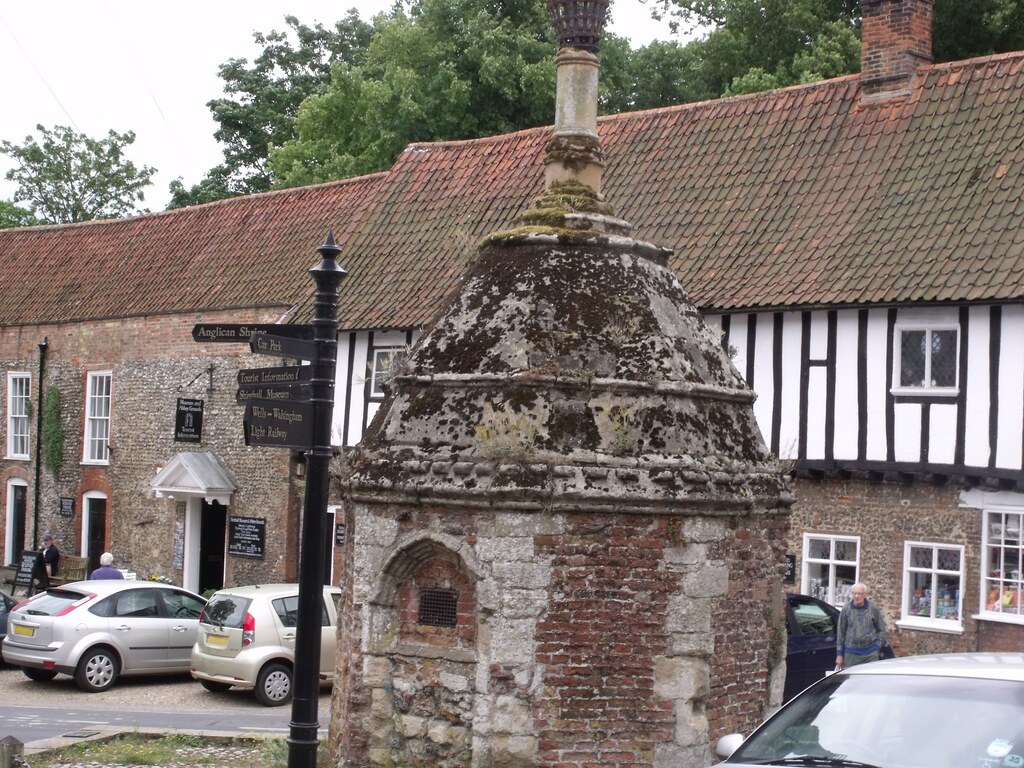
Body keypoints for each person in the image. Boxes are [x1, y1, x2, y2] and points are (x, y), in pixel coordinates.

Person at [836, 582, 887, 669]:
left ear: (865, 594)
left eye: (860, 594)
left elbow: (882, 629)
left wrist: (877, 647)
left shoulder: (873, 608)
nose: (857, 596)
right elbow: (841, 632)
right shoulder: (846, 609)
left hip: (870, 654)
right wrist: (839, 655)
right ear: (852, 594)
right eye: (855, 593)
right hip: (851, 655)